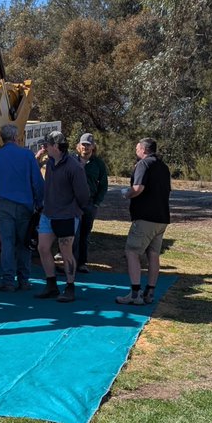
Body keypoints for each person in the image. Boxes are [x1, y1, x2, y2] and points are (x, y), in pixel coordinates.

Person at [0, 123, 45, 292]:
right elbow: (38, 183)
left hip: (4, 205)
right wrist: (39, 203)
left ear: (2, 138)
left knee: (8, 243)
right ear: (17, 138)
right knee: (24, 243)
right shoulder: (27, 156)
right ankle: (24, 280)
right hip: (25, 205)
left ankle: (8, 281)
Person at [35, 131, 91, 302]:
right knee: (43, 248)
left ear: (56, 147)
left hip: (66, 215)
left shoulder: (74, 167)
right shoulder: (50, 162)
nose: (44, 147)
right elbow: (34, 165)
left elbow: (83, 194)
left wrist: (76, 211)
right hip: (48, 213)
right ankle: (51, 284)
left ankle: (70, 286)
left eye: (47, 145)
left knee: (66, 251)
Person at [116, 137, 172, 306]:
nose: (136, 151)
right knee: (153, 254)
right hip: (161, 218)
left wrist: (127, 194)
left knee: (132, 252)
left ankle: (135, 294)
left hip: (145, 218)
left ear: (144, 150)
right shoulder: (163, 167)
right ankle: (150, 292)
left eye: (137, 148)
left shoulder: (143, 164)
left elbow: (138, 188)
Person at [74, 133, 109, 272]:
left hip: (89, 203)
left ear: (93, 147)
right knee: (71, 233)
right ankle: (69, 263)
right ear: (79, 146)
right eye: (83, 145)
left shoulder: (98, 163)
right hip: (73, 202)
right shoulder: (72, 160)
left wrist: (96, 202)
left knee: (84, 234)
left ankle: (82, 263)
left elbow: (104, 185)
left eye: (88, 145)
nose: (85, 148)